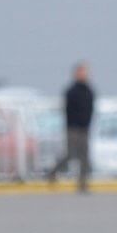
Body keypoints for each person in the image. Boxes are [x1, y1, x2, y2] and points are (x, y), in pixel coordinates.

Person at [47, 62, 95, 193]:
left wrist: (87, 124)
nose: (83, 74)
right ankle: (53, 172)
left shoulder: (89, 91)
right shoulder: (71, 91)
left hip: (85, 128)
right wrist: (71, 125)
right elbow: (67, 110)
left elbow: (90, 109)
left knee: (84, 157)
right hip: (73, 128)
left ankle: (83, 184)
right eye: (81, 72)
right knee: (70, 154)